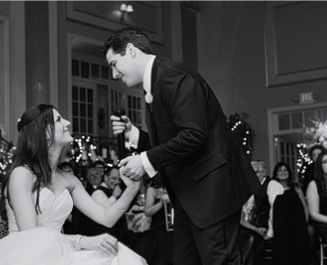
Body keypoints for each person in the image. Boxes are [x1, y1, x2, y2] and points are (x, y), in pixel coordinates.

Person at [102, 27, 260, 264]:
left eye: (114, 63)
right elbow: (173, 142)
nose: (114, 74)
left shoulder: (172, 76)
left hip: (211, 191)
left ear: (132, 51)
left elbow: (194, 135)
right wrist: (133, 134)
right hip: (189, 195)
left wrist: (145, 161)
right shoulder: (156, 82)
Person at [0, 104, 146, 265]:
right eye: (59, 120)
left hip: (60, 253)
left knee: (122, 258)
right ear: (44, 132)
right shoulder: (22, 175)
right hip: (27, 257)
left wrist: (131, 189)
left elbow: (106, 217)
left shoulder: (69, 180)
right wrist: (83, 241)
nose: (68, 122)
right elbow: (32, 238)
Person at [239, 160, 284, 265]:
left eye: (256, 172)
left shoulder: (272, 185)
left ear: (264, 172)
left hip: (268, 229)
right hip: (253, 227)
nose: (252, 175)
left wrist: (270, 232)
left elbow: (276, 210)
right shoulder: (251, 187)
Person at [272, 162, 311, 265]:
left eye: (285, 170)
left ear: (289, 173)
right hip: (282, 227)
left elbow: (304, 205)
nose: (283, 173)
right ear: (276, 174)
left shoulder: (296, 188)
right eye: (280, 171)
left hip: (297, 225)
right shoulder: (273, 189)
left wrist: (306, 221)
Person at [143, 174, 173, 265]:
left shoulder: (174, 187)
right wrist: (161, 202)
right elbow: (147, 212)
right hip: (159, 231)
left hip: (174, 229)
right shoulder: (152, 190)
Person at [307, 150, 327, 243]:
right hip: (322, 223)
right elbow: (314, 214)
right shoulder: (314, 185)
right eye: (324, 162)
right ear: (320, 166)